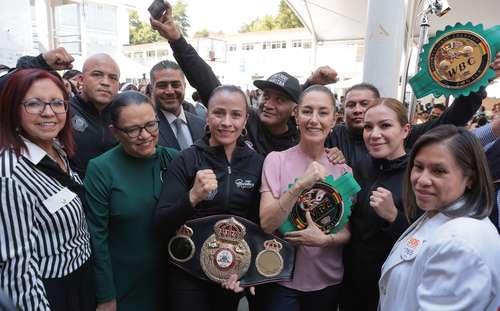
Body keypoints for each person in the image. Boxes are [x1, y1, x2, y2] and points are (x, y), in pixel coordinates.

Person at [149, 4, 340, 156]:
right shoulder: (247, 121)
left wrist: (333, 155)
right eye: (266, 95)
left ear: (295, 111)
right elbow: (207, 82)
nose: (268, 104)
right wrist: (176, 39)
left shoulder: (303, 137)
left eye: (279, 99)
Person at [154, 85, 264, 311]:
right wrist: (193, 196)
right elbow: (161, 223)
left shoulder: (256, 163)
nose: (226, 122)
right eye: (218, 113)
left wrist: (248, 271)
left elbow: (259, 225)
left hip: (231, 273)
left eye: (235, 115)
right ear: (207, 115)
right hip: (188, 270)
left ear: (245, 120)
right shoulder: (186, 160)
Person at [379, 125, 500, 310]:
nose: (422, 180)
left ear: (470, 178)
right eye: (418, 167)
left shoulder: (460, 244)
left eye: (439, 171)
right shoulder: (438, 213)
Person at [0, 69, 93, 311]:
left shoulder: (57, 149)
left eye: (56, 103)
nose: (48, 112)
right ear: (12, 109)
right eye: (33, 104)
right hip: (51, 291)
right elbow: (17, 269)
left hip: (81, 280)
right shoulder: (10, 174)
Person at [257, 85, 352, 311]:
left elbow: (346, 232)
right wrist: (300, 185)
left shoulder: (343, 170)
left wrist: (325, 240)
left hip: (327, 279)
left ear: (334, 119)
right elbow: (267, 223)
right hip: (281, 276)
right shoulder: (275, 161)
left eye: (323, 112)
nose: (314, 119)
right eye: (307, 111)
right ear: (296, 115)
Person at [84, 91, 178, 311]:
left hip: (174, 279)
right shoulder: (101, 169)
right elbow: (96, 236)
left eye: (151, 125)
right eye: (133, 129)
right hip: (125, 284)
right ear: (115, 132)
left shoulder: (174, 158)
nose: (145, 135)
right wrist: (106, 295)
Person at [340, 98, 412, 310]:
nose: (374, 134)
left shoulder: (416, 175)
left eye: (385, 125)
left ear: (405, 130)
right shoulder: (358, 166)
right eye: (368, 127)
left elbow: (429, 242)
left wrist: (393, 217)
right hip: (350, 285)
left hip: (390, 292)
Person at [70, 53, 121, 177]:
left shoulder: (122, 112)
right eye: (97, 74)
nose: (105, 82)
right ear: (81, 80)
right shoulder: (63, 110)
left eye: (113, 77)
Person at [149, 60, 205, 150]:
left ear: (184, 86)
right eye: (162, 85)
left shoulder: (201, 125)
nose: (170, 91)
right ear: (152, 89)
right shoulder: (146, 130)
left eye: (175, 85)